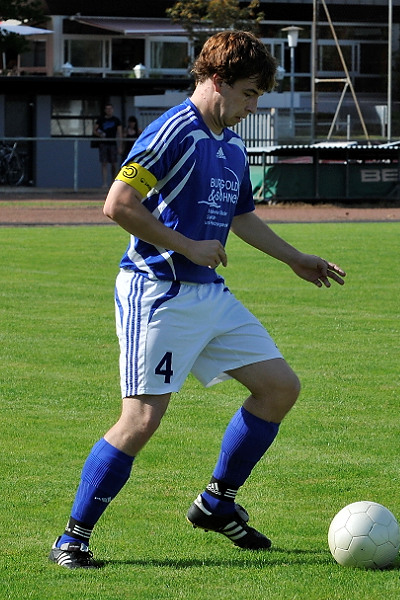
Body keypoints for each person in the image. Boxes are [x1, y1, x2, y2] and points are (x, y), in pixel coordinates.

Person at [48, 30, 346, 569]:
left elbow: (242, 217)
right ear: (217, 80)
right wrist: (187, 245)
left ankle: (216, 502)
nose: (253, 107)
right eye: (249, 93)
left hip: (209, 293)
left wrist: (295, 258)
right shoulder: (173, 131)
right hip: (158, 292)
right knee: (141, 420)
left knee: (279, 388)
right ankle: (72, 538)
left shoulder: (232, 145)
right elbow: (118, 204)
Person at [93, 103, 123, 188]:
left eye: (110, 109)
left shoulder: (116, 120)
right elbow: (94, 130)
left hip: (113, 144)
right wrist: (100, 135)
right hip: (103, 144)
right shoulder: (101, 120)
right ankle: (105, 183)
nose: (109, 110)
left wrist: (120, 146)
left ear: (112, 110)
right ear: (105, 110)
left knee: (114, 163)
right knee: (104, 163)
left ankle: (113, 181)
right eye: (107, 109)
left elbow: (120, 133)